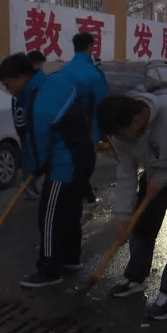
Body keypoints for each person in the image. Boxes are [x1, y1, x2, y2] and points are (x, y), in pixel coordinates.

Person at [97, 94, 167, 320]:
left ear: (137, 119)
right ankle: (134, 277)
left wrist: (166, 177)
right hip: (155, 177)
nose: (120, 139)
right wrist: (121, 218)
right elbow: (126, 175)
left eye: (121, 133)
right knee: (141, 227)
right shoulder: (121, 135)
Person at [0, 53, 96, 287]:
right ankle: (71, 259)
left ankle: (49, 270)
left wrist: (34, 169)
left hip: (65, 164)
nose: (8, 90)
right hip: (82, 157)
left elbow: (40, 141)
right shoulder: (54, 82)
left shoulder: (41, 98)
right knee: (70, 212)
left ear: (21, 77)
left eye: (8, 84)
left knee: (49, 217)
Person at [58, 33, 109, 211]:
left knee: (70, 163)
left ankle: (85, 196)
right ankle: (78, 202)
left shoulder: (63, 71)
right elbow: (103, 104)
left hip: (63, 130)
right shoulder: (94, 74)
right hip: (88, 131)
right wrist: (103, 132)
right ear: (90, 47)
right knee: (83, 165)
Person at [17, 51, 48, 200]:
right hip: (36, 127)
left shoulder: (25, 81)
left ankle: (30, 185)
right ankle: (31, 186)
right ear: (37, 64)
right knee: (35, 157)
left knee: (30, 156)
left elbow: (18, 109)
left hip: (28, 127)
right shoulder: (39, 81)